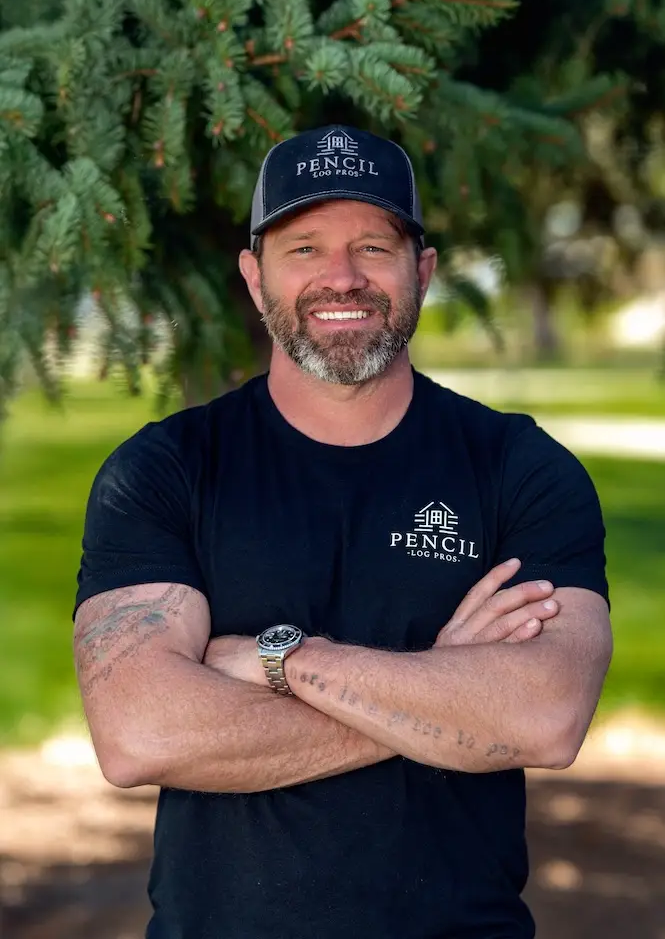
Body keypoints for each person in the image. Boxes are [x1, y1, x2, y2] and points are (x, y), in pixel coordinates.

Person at [73, 125, 613, 939]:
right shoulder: (166, 470)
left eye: (372, 245)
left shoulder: (517, 468)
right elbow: (138, 734)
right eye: (302, 249)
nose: (341, 277)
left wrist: (277, 660)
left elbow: (544, 719)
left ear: (421, 273)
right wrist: (449, 690)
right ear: (254, 278)